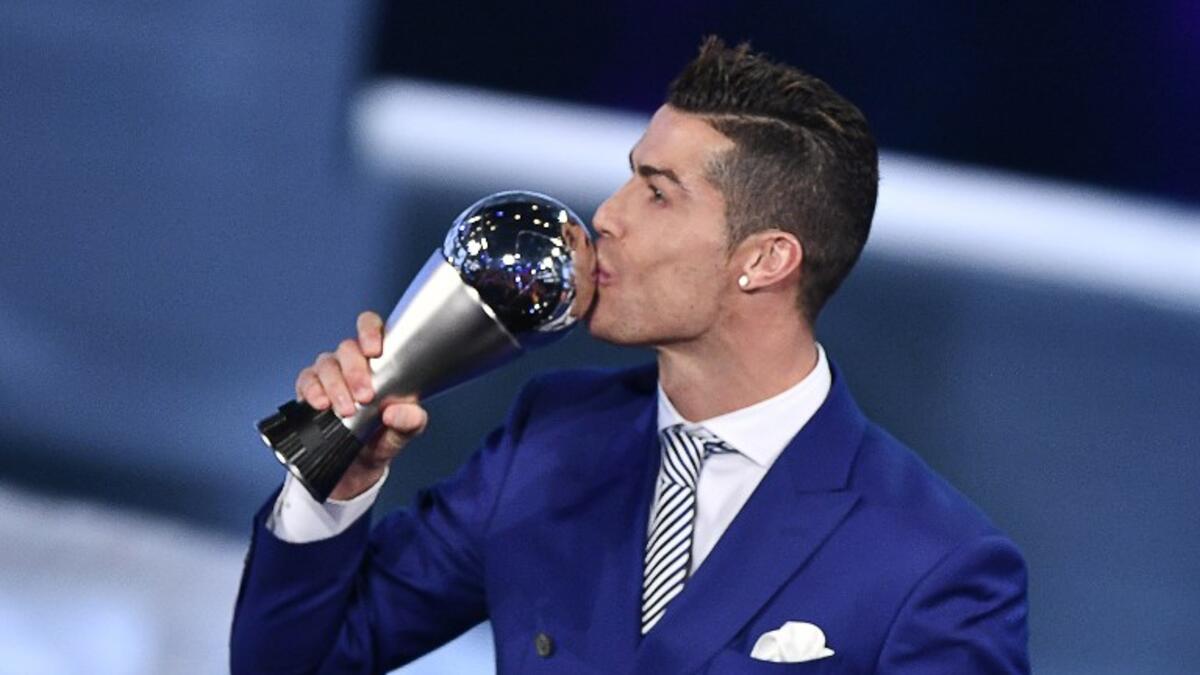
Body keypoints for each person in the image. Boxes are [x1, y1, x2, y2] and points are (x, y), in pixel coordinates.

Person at [231, 37, 1030, 673]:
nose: (606, 217)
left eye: (656, 191)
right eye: (626, 180)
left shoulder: (936, 564)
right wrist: (333, 481)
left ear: (765, 259)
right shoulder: (551, 438)